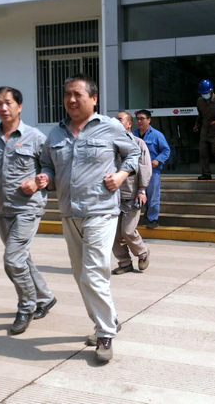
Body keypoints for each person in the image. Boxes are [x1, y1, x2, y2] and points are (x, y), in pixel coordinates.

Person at [35, 74, 140, 363]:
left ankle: (105, 333)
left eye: (77, 94)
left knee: (93, 272)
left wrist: (121, 175)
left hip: (101, 210)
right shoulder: (55, 134)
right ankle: (108, 319)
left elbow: (133, 153)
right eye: (67, 94)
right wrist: (46, 177)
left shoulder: (110, 127)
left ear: (94, 99)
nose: (71, 99)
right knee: (80, 275)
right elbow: (47, 164)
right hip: (69, 213)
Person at [0, 86, 56, 336]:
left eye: (8, 103)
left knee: (12, 260)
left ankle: (26, 307)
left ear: (19, 106)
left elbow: (51, 168)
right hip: (2, 207)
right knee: (21, 258)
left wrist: (38, 182)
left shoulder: (35, 137)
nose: (3, 107)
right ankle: (45, 297)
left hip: (27, 207)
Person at [111, 111, 152, 275]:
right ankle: (125, 263)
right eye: (115, 120)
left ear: (129, 124)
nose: (116, 122)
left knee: (127, 231)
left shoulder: (138, 143)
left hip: (132, 195)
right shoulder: (110, 145)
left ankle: (143, 252)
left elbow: (145, 167)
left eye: (120, 120)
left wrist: (142, 189)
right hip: (113, 197)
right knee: (113, 235)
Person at [133, 109, 171, 229]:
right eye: (137, 119)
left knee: (153, 196)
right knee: (138, 194)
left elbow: (166, 150)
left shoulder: (157, 135)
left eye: (142, 119)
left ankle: (153, 219)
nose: (139, 121)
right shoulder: (133, 135)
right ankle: (142, 214)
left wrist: (158, 160)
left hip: (152, 171)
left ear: (149, 120)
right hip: (136, 171)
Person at [193, 79, 215, 180]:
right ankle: (206, 174)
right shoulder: (199, 101)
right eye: (202, 93)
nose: (204, 95)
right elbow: (200, 115)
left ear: (211, 91)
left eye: (206, 93)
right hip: (205, 130)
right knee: (203, 153)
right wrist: (197, 125)